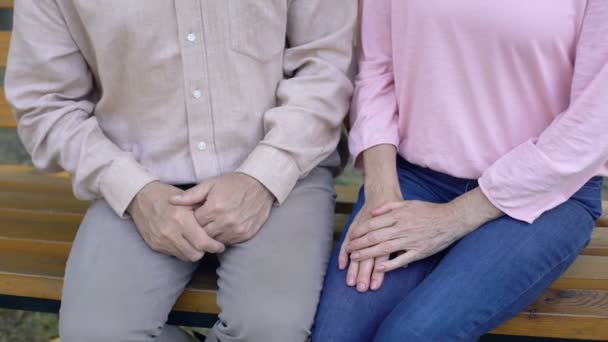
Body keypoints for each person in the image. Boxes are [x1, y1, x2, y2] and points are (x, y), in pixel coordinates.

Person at [5, 1, 356, 341]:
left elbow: (326, 68)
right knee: (95, 335)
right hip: (142, 177)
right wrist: (133, 190)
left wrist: (262, 177)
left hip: (282, 168)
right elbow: (45, 103)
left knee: (268, 329)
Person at [313, 1, 608, 341]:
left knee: (411, 336)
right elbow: (377, 70)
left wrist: (452, 219)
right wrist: (381, 191)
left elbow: (594, 122)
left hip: (545, 196)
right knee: (339, 336)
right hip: (412, 178)